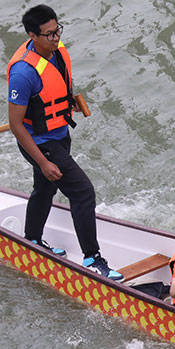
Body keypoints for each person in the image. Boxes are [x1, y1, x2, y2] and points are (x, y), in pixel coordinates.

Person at [7, 4, 121, 280]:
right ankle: (93, 258)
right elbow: (15, 125)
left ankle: (32, 239)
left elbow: (53, 89)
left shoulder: (55, 51)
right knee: (82, 192)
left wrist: (69, 103)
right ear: (32, 36)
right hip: (41, 143)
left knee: (45, 189)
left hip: (59, 134)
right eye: (48, 34)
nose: (56, 38)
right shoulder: (23, 73)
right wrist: (43, 161)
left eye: (57, 30)